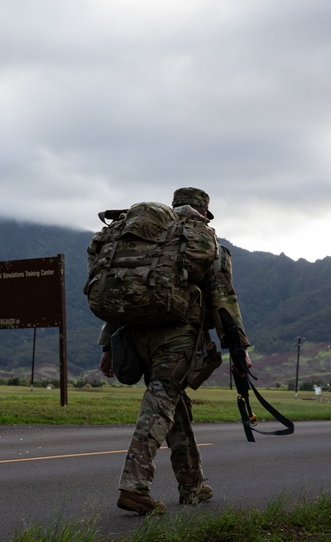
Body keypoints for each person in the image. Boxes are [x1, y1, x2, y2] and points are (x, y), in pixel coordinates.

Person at [98, 187, 251, 515]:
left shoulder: (151, 241)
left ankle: (192, 486)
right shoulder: (206, 246)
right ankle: (134, 486)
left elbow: (124, 289)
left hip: (135, 334)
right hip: (177, 336)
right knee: (160, 404)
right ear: (204, 215)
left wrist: (108, 346)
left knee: (174, 407)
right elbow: (223, 301)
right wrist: (238, 350)